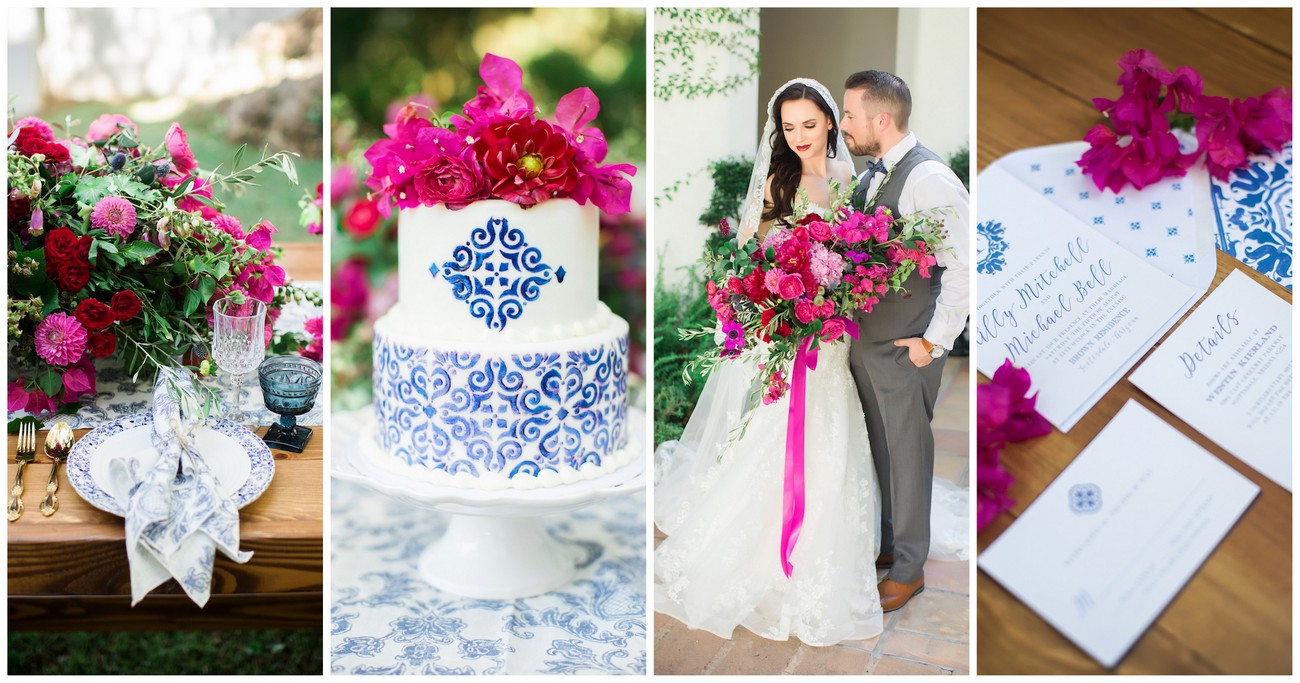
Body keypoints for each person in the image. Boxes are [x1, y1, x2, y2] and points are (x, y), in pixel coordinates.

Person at [653, 78, 886, 646]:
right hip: (792, 321)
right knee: (779, 425)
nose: (800, 136)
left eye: (810, 125)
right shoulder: (779, 182)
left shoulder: (853, 183)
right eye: (789, 127)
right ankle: (760, 541)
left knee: (833, 424)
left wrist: (837, 291)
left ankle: (825, 545)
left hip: (831, 331)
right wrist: (782, 294)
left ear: (831, 122)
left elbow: (861, 256)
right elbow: (757, 254)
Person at [839, 70, 971, 612]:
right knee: (882, 450)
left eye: (849, 115)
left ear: (881, 119)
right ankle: (891, 546)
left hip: (904, 347)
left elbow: (963, 268)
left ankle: (910, 571)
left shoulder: (929, 179)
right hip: (868, 343)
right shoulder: (873, 176)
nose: (843, 125)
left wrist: (932, 344)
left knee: (909, 454)